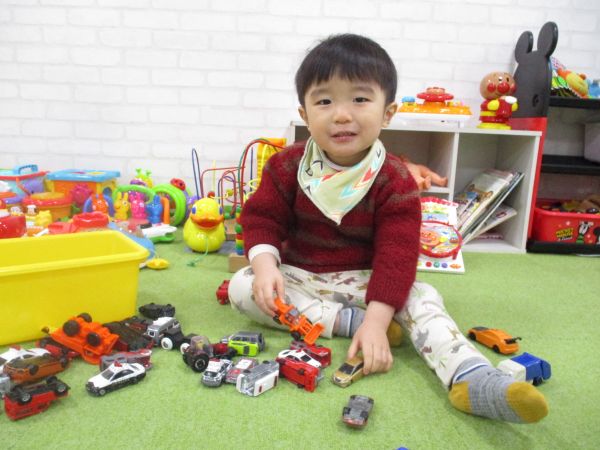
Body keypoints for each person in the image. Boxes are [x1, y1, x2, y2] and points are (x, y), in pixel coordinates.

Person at [228, 33, 548, 424]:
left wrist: (379, 319)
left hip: (369, 281)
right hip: (301, 277)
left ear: (388, 113)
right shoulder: (286, 165)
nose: (341, 115)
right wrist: (265, 268)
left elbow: (396, 255)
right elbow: (262, 218)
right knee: (242, 287)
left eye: (360, 99)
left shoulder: (395, 179)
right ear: (304, 113)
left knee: (423, 297)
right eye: (324, 101)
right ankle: (346, 323)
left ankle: (470, 376)